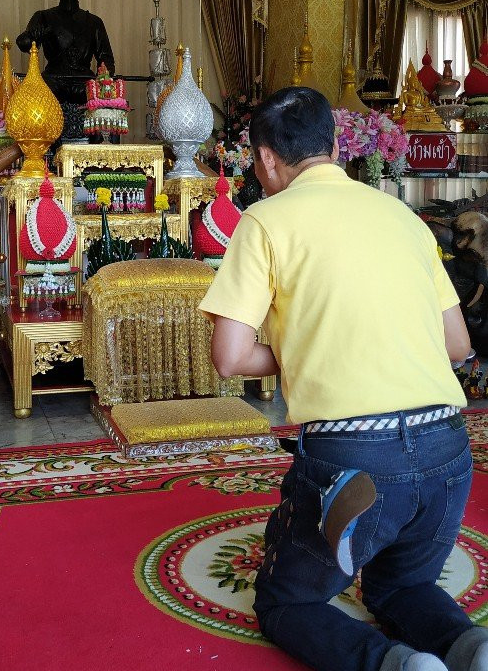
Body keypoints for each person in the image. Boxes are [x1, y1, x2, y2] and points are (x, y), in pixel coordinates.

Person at [199, 86, 487, 671]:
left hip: (358, 463)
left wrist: (301, 343)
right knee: (401, 588)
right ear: (334, 147)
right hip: (449, 452)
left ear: (266, 160)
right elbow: (458, 345)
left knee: (287, 600)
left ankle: (394, 665)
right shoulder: (401, 215)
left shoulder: (265, 221)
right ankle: (470, 647)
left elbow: (228, 357)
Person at [16, 0, 115, 108]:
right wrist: (35, 36)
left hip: (83, 81)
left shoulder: (94, 22)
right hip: (54, 80)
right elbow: (23, 44)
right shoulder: (43, 16)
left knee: (93, 92)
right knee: (38, 92)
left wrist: (101, 80)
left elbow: (106, 59)